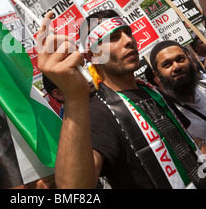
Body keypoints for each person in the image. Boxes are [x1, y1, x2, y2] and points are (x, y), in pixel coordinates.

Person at [37, 10, 206, 189]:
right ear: (92, 56)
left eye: (128, 32)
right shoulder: (96, 112)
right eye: (114, 37)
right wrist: (74, 98)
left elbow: (179, 140)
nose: (128, 41)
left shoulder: (151, 91)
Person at [149, 40, 206, 141]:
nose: (176, 67)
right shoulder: (167, 117)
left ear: (189, 60)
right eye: (167, 64)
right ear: (157, 75)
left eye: (180, 59)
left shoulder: (204, 86)